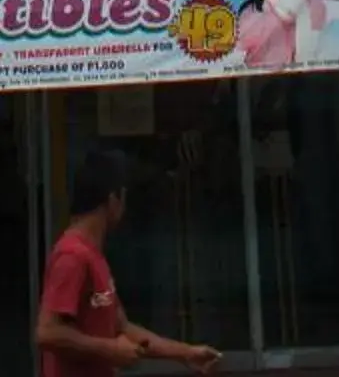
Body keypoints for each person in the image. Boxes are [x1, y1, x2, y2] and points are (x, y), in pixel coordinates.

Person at [36, 149, 221, 377]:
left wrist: (186, 353)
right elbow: (48, 332)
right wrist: (110, 349)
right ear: (113, 199)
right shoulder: (73, 256)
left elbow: (121, 327)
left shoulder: (93, 256)